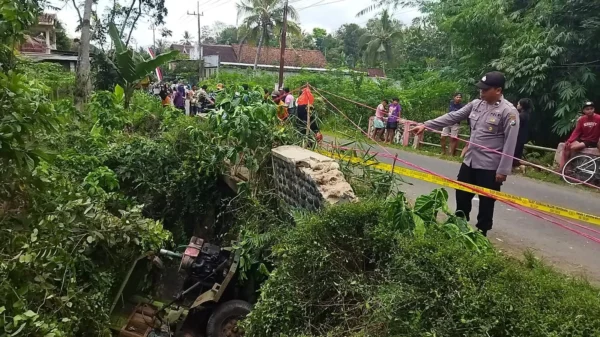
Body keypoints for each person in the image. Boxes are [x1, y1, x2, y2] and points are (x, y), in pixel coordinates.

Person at [410, 71, 520, 237]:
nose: (481, 92)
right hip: (470, 161)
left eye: (485, 89)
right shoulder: (476, 104)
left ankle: (481, 234)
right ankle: (460, 228)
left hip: (490, 167)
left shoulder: (508, 112)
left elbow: (511, 142)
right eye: (480, 89)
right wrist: (426, 125)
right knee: (461, 195)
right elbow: (452, 117)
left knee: (486, 202)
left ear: (498, 90)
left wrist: (503, 170)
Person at [560, 101, 600, 170]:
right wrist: (570, 140)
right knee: (567, 146)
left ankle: (571, 165)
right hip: (583, 138)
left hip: (592, 140)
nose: (590, 111)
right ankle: (565, 166)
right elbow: (576, 131)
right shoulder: (582, 119)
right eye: (587, 109)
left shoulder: (598, 118)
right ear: (584, 111)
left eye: (591, 108)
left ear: (594, 109)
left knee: (574, 147)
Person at [513, 98, 533, 167]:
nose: (517, 105)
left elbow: (512, 124)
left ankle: (527, 165)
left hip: (517, 137)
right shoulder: (527, 115)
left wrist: (512, 114)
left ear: (522, 106)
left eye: (518, 104)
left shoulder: (521, 116)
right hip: (522, 137)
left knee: (513, 156)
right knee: (517, 156)